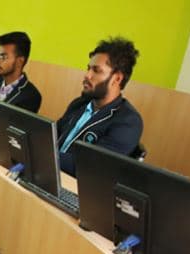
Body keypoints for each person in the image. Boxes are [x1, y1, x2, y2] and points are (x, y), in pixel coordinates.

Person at [54, 37, 143, 175]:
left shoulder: (128, 122)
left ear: (117, 79)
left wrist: (43, 152)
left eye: (96, 70)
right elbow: (52, 135)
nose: (87, 75)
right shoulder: (79, 104)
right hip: (52, 174)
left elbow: (90, 167)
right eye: (88, 69)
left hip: (77, 190)